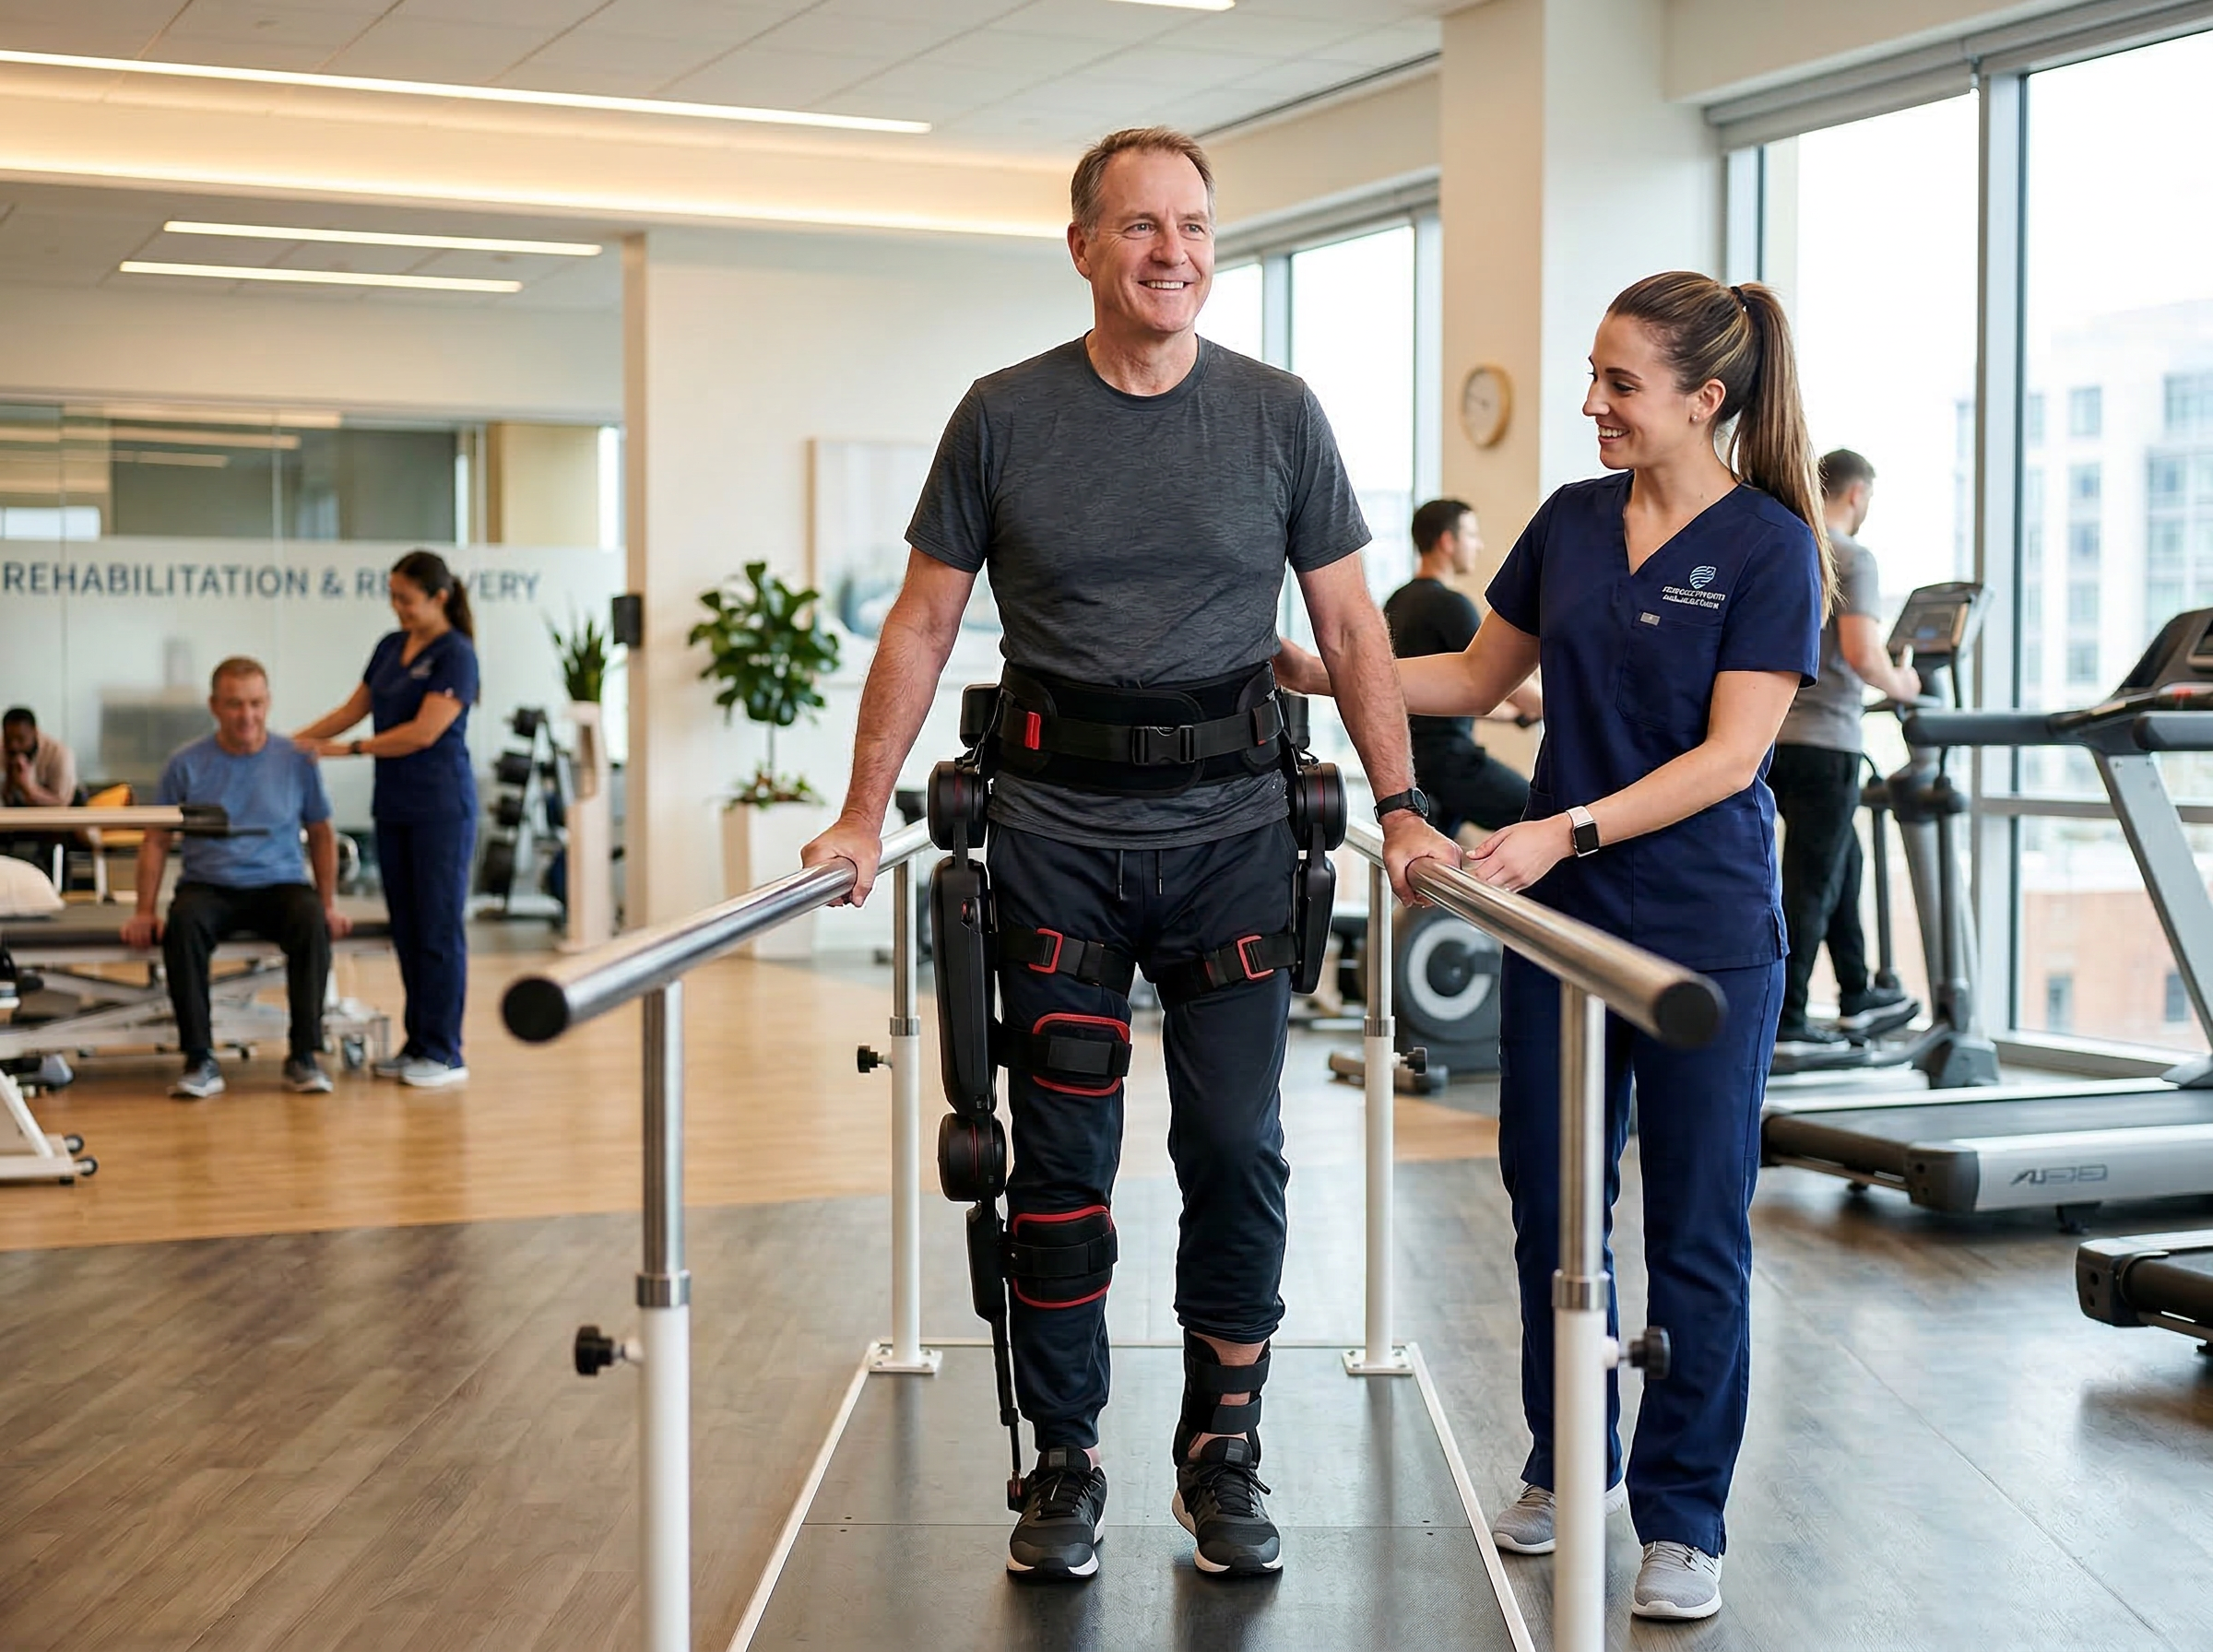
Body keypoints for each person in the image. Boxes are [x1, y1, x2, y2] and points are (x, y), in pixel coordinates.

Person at [799, 125, 1458, 1584]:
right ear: (1084, 246)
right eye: (1143, 226)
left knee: (1236, 1150)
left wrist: (1403, 804)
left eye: (1196, 226)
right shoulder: (1003, 415)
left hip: (1233, 842)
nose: (1174, 253)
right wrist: (859, 811)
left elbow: (1350, 627)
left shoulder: (1279, 414)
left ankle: (1223, 1452)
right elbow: (922, 621)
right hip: (1057, 843)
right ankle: (1066, 1459)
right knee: (1060, 1164)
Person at [1279, 271, 1826, 1622]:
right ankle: (1571, 1458)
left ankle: (1684, 1519)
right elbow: (1475, 677)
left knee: (1696, 1227)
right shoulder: (1574, 521)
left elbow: (1732, 756)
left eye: (1619, 383)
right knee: (1553, 1205)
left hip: (1700, 935)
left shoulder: (1771, 547)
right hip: (1560, 927)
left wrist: (1560, 830)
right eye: (1593, 375)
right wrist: (1322, 669)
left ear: (1705, 399)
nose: (1591, 403)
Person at [121, 658, 351, 1099]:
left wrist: (329, 904)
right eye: (234, 705)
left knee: (310, 920)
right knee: (184, 923)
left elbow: (322, 833)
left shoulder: (295, 760)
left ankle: (304, 1055)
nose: (247, 715)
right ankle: (199, 1059)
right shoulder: (185, 763)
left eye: (255, 704)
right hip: (210, 885)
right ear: (214, 706)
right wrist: (144, 911)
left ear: (268, 703)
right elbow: (156, 839)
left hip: (280, 885)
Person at [293, 549, 479, 1090]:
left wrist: (347, 751)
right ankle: (417, 1042)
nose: (397, 607)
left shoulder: (456, 655)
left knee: (437, 930)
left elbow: (424, 733)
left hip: (441, 810)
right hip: (395, 807)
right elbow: (352, 709)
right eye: (393, 597)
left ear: (439, 597)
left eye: (407, 599)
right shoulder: (391, 647)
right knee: (408, 929)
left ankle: (444, 1050)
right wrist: (291, 743)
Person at [1769, 449, 1921, 1044]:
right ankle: (1788, 1019)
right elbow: (1862, 654)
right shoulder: (1851, 557)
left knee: (1841, 867)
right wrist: (1904, 683)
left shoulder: (1789, 548)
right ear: (1857, 494)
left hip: (1774, 740)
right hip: (1827, 743)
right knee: (1810, 882)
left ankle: (1857, 993)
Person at [1381, 499, 1544, 838]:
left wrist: (1513, 717)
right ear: (1447, 541)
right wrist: (1556, 706)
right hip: (1450, 763)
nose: (1478, 545)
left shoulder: (1397, 601)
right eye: (1471, 535)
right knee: (1539, 818)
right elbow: (1497, 678)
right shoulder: (1450, 605)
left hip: (1411, 763)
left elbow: (1450, 691)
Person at [1, 706, 85, 871]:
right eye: (9, 739)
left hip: (59, 814)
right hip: (15, 814)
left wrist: (29, 789)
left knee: (52, 840)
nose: (14, 745)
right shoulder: (3, 750)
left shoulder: (59, 753)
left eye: (20, 739)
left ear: (34, 732)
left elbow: (62, 801)